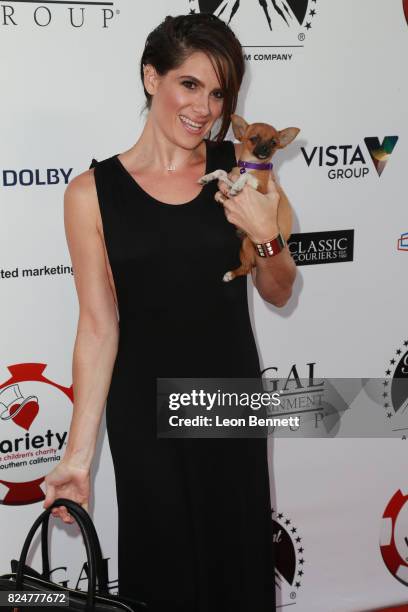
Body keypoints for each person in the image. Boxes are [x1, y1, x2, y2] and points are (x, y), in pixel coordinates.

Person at [43, 12, 296, 612]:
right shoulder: (90, 193)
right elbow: (99, 328)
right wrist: (77, 458)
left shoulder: (243, 168)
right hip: (144, 415)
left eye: (218, 93)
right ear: (151, 77)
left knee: (237, 570)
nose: (204, 107)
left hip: (230, 401)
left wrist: (266, 236)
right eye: (190, 85)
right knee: (164, 579)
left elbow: (280, 290)